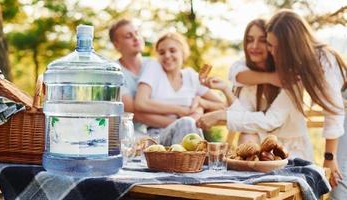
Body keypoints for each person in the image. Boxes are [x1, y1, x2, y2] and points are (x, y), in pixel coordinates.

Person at [200, 10, 346, 189]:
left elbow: (334, 112)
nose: (270, 50)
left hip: (339, 110)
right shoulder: (265, 70)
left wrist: (329, 158)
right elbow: (236, 72)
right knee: (248, 135)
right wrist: (227, 90)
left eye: (268, 43)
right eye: (270, 44)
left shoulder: (320, 62)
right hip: (285, 141)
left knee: (340, 186)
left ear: (290, 45)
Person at [198, 19, 314, 161]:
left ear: (273, 43)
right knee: (247, 136)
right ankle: (249, 179)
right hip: (260, 143)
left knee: (249, 134)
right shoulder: (249, 75)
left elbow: (270, 121)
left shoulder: (291, 75)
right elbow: (244, 117)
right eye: (249, 40)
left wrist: (223, 115)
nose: (254, 46)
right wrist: (226, 90)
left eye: (262, 40)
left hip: (291, 148)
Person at [135, 32, 225, 145]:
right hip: (157, 137)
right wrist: (179, 110)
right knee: (187, 123)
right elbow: (140, 103)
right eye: (162, 52)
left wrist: (201, 103)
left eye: (172, 50)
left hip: (189, 134)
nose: (167, 55)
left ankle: (192, 160)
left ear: (183, 53)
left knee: (188, 125)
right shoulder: (154, 68)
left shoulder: (191, 76)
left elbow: (223, 106)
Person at [109, 19, 176, 135]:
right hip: (126, 135)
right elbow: (134, 112)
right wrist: (178, 123)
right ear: (117, 45)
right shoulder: (113, 72)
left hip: (158, 130)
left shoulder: (155, 64)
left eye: (137, 33)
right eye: (128, 36)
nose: (136, 38)